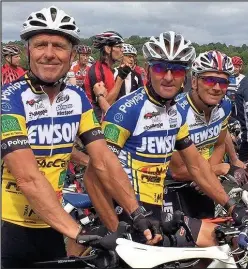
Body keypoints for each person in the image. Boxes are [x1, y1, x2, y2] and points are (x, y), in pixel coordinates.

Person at [1, 6, 161, 268]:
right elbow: (27, 177)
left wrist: (137, 213)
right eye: (41, 44)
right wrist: (79, 233)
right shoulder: (9, 99)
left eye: (59, 46)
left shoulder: (76, 99)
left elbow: (103, 159)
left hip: (52, 223)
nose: (49, 54)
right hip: (10, 227)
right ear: (28, 50)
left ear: (72, 53)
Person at [90, 31, 248, 247]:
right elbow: (93, 177)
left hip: (157, 207)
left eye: (177, 70)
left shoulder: (174, 113)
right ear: (149, 70)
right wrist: (117, 232)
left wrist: (231, 206)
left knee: (221, 241)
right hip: (129, 211)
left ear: (186, 77)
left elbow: (197, 166)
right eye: (161, 68)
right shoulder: (126, 111)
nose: (169, 77)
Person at [166, 50, 247, 219]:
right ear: (194, 82)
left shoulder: (224, 106)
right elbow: (178, 171)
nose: (217, 88)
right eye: (210, 80)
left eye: (223, 82)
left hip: (202, 179)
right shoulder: (176, 112)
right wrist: (216, 170)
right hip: (172, 185)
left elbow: (219, 144)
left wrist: (209, 176)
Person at [84, 31, 131, 122]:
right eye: (118, 47)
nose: (122, 50)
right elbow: (106, 103)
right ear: (108, 49)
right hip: (96, 120)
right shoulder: (98, 70)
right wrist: (120, 78)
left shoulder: (107, 69)